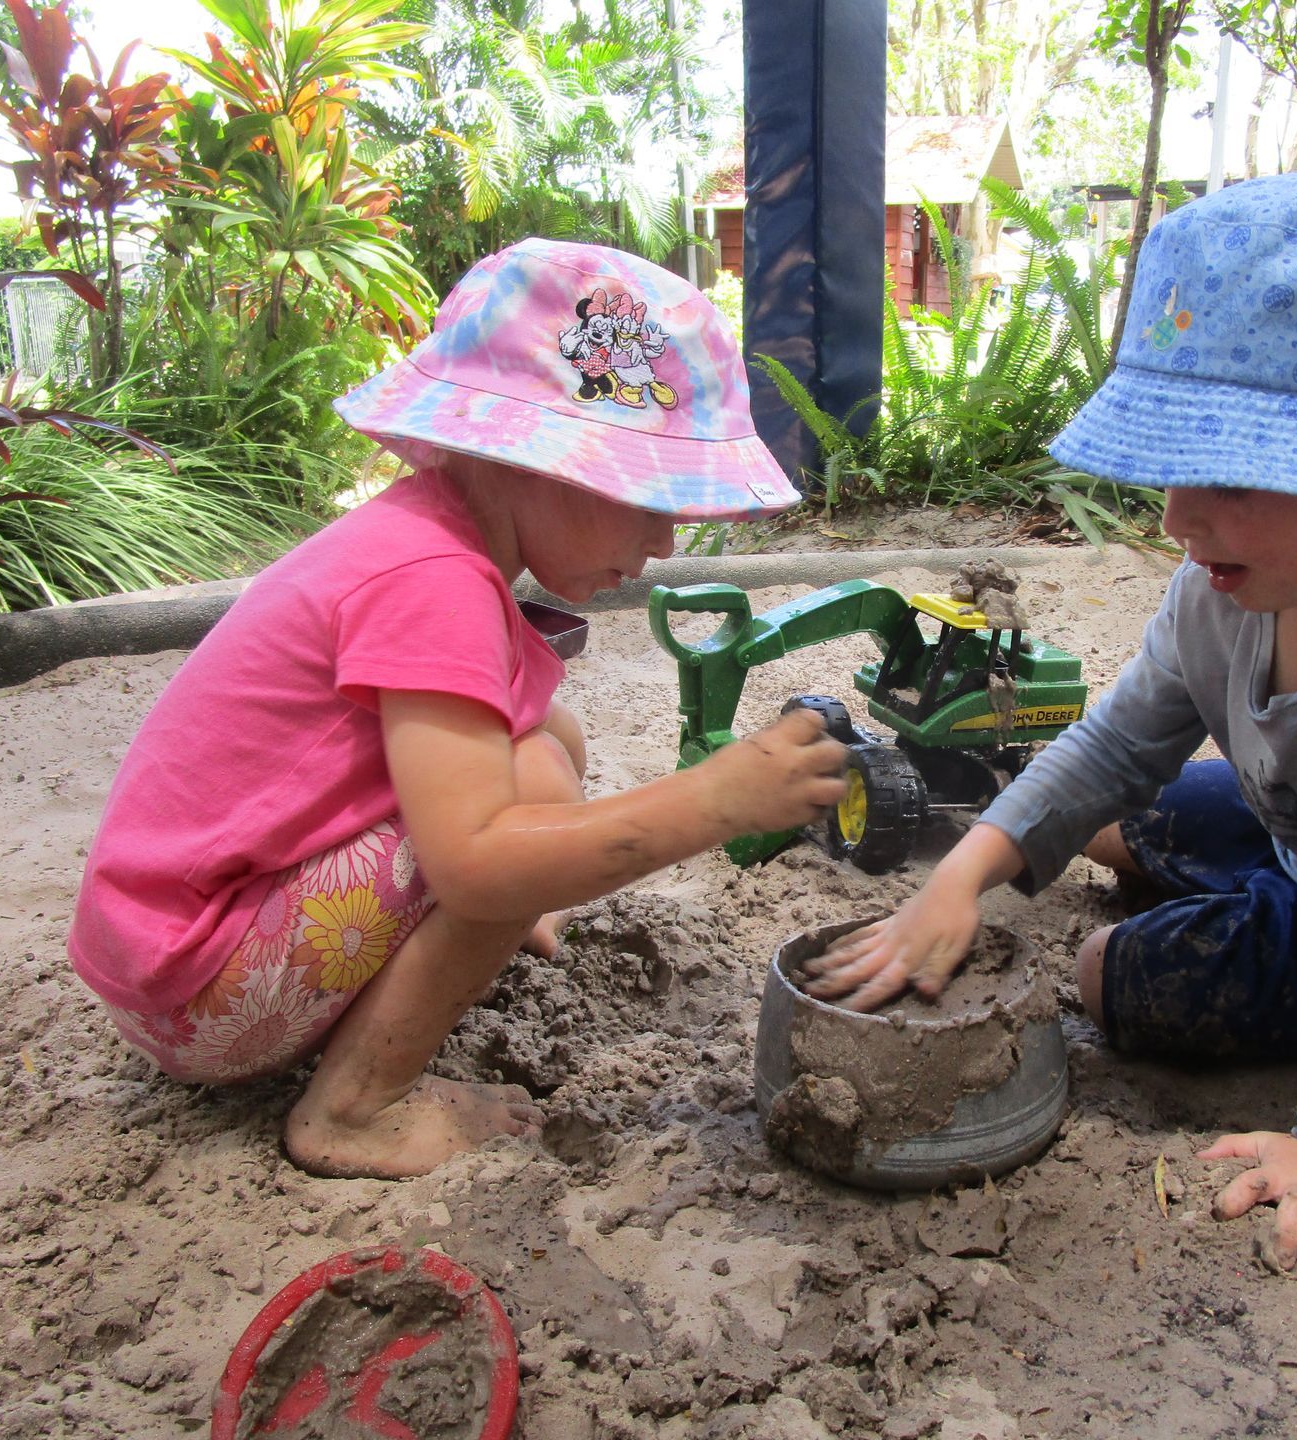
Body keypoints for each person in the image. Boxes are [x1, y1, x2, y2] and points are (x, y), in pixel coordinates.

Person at [806, 172, 1297, 1287]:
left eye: (1228, 475)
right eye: (1171, 472)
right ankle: (1222, 893)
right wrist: (965, 875)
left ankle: (1239, 951)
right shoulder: (1236, 570)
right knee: (1100, 825)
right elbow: (1116, 745)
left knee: (1099, 973)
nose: (1181, 521)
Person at [68, 241, 848, 1180]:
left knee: (544, 741)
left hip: (168, 944)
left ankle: (442, 955)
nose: (661, 542)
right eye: (647, 496)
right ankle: (354, 1109)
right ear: (535, 458)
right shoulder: (432, 580)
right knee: (521, 819)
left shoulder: (424, 538)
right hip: (198, 987)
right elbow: (478, 861)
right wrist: (714, 802)